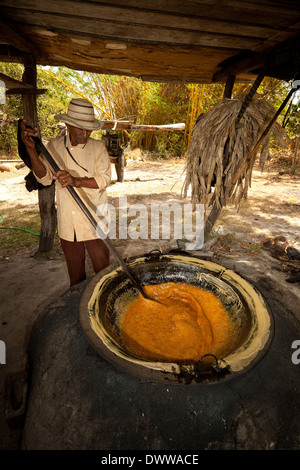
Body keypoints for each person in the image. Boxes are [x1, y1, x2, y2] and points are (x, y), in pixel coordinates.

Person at [21, 98, 111, 286]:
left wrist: (75, 180)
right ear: (68, 124)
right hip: (68, 223)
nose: (85, 133)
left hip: (94, 220)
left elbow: (104, 180)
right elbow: (44, 177)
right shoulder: (54, 146)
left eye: (88, 128)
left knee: (104, 275)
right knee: (76, 278)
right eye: (80, 128)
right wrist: (31, 151)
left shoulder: (98, 148)